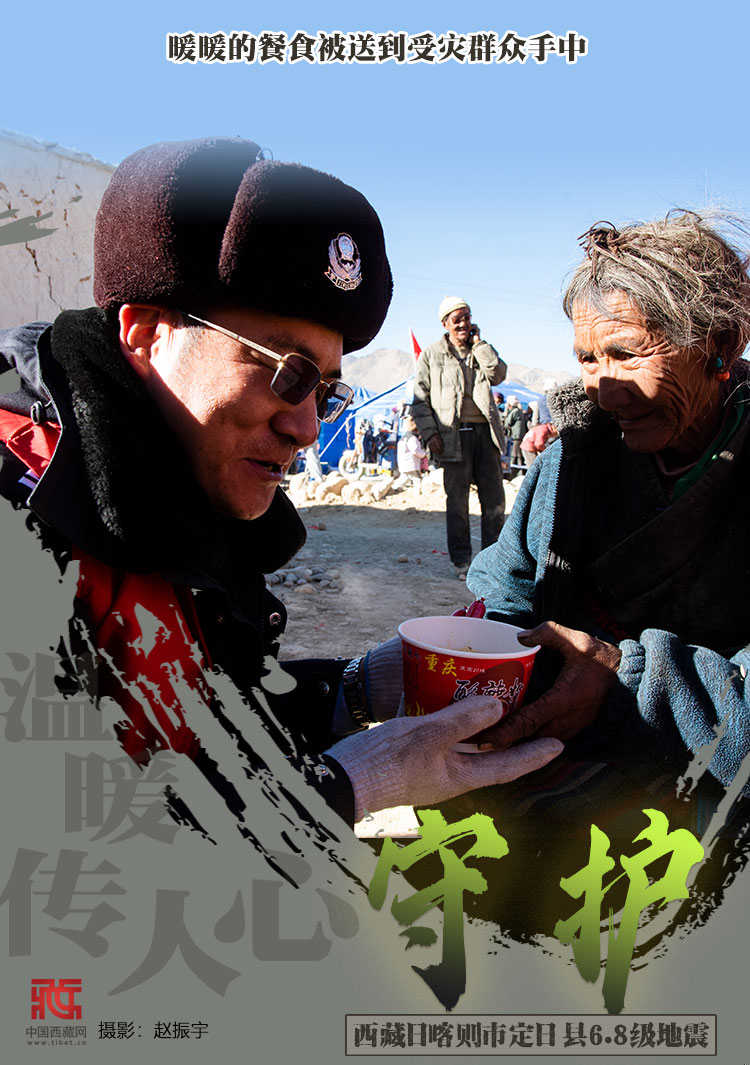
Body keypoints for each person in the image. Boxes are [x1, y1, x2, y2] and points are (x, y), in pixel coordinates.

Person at [0, 137, 561, 834]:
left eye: (325, 390)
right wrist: (347, 785)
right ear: (146, 333)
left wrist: (354, 690)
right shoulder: (26, 512)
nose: (306, 428)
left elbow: (191, 727)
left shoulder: (174, 485)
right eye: (286, 372)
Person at [428, 211, 750, 936]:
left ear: (722, 342)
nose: (604, 390)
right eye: (587, 359)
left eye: (626, 354)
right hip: (566, 762)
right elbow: (507, 592)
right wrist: (493, 662)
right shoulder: (570, 464)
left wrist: (621, 678)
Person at [411, 297, 507, 580]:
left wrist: (480, 344)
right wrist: (430, 433)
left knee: (494, 501)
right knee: (457, 503)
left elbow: (499, 375)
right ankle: (462, 562)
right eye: (457, 319)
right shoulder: (431, 355)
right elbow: (419, 400)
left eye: (467, 317)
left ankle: (493, 563)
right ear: (445, 324)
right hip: (451, 436)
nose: (463, 323)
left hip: (485, 434)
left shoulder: (480, 349)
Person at [396, 413, 427, 490]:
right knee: (417, 479)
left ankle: (395, 488)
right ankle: (419, 491)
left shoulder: (404, 438)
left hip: (403, 464)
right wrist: (424, 454)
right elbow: (415, 451)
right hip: (411, 464)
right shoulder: (412, 438)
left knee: (404, 478)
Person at [504, 395, 526, 469]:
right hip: (520, 435)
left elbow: (508, 423)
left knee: (514, 453)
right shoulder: (519, 411)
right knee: (518, 453)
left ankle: (514, 469)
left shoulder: (514, 411)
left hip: (516, 436)